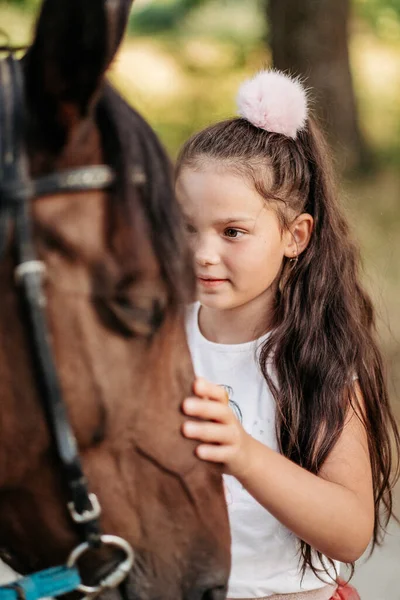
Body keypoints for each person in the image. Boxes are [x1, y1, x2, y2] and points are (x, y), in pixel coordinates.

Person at [175, 70, 400, 600]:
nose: (203, 252)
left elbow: (350, 533)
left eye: (233, 232)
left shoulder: (315, 361)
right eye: (185, 227)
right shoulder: (155, 342)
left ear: (294, 236)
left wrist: (244, 455)